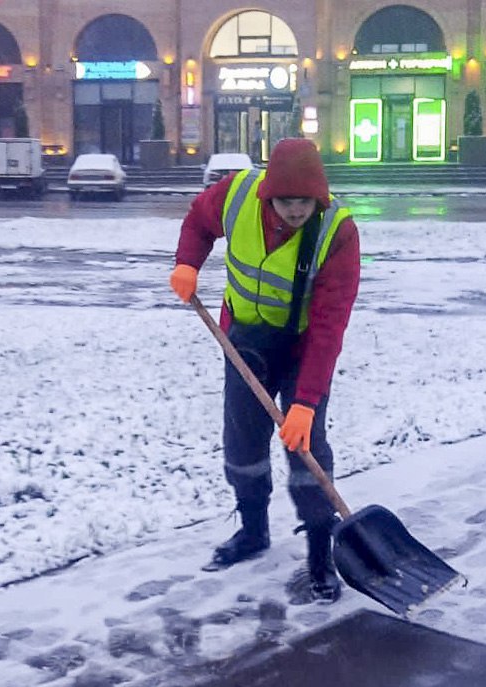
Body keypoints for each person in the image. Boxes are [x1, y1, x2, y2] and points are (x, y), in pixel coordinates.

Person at [169, 138, 360, 603]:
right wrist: (187, 264)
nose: (296, 210)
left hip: (301, 347)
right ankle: (253, 530)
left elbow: (328, 326)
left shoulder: (337, 232)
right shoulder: (237, 195)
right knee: (242, 443)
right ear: (268, 194)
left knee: (307, 450)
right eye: (287, 200)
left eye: (305, 201)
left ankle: (320, 551)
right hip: (245, 341)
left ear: (320, 196)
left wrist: (305, 403)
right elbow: (198, 220)